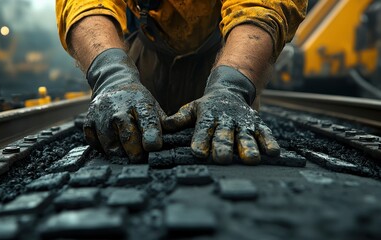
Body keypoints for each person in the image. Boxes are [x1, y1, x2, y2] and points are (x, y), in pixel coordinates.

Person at [56, 0, 307, 164]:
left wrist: (231, 87)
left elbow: (262, 6)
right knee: (130, 141)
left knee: (229, 146)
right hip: (147, 54)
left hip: (227, 54)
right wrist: (112, 77)